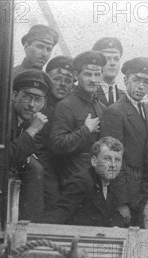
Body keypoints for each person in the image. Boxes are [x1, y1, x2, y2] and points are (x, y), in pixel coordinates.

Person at [101, 57, 148, 225]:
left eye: (146, 82)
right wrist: (121, 201)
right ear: (126, 80)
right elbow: (111, 160)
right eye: (136, 80)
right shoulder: (115, 112)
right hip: (126, 195)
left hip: (147, 193)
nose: (141, 86)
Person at [47, 51, 105, 189]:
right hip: (73, 181)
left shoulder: (101, 106)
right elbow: (57, 144)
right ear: (77, 76)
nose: (93, 79)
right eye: (87, 74)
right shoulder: (65, 105)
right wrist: (86, 130)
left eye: (97, 74)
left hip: (97, 178)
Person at [44, 137, 127, 227]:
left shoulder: (112, 182)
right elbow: (58, 215)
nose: (113, 165)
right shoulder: (81, 182)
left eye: (117, 160)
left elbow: (112, 215)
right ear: (94, 161)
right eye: (107, 159)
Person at [10, 69, 53, 221]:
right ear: (14, 95)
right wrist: (33, 129)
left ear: (44, 103)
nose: (31, 104)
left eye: (37, 99)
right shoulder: (2, 118)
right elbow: (6, 156)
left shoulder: (28, 120)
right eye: (26, 97)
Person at [42, 56, 76, 211]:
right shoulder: (39, 104)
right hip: (44, 167)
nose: (62, 84)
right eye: (57, 79)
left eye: (68, 81)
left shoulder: (72, 107)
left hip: (67, 166)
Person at [92, 37, 126, 106]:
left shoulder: (124, 97)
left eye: (116, 59)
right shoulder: (89, 92)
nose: (113, 63)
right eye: (107, 59)